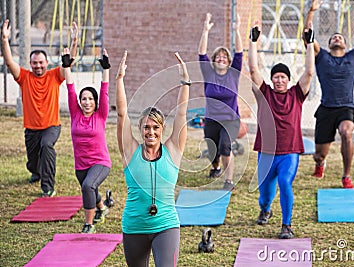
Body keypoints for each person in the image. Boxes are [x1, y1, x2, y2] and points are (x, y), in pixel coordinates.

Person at [116, 50, 190, 267]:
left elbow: (182, 114)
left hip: (166, 225)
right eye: (146, 127)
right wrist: (119, 80)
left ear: (162, 128)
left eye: (155, 127)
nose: (151, 132)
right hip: (134, 227)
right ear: (139, 129)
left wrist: (185, 82)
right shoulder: (130, 151)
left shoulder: (173, 150)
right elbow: (122, 114)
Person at [248, 22, 315, 238]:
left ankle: (286, 225)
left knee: (285, 182)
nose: (279, 79)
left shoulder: (296, 94)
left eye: (283, 77)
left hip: (289, 152)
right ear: (272, 78)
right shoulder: (264, 93)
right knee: (265, 194)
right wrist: (253, 42)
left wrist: (310, 44)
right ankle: (265, 209)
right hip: (266, 153)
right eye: (276, 76)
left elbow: (310, 72)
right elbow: (252, 69)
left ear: (288, 80)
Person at [1, 20, 78, 197]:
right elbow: (9, 62)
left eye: (41, 63)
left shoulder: (55, 76)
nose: (38, 66)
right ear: (30, 64)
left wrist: (74, 42)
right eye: (35, 63)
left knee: (46, 146)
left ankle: (48, 187)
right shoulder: (24, 77)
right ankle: (35, 172)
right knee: (33, 161)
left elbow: (69, 64)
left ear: (46, 63)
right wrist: (4, 40)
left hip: (51, 126)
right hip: (31, 129)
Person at [305, 0, 354, 188]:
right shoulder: (322, 57)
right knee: (319, 154)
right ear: (329, 44)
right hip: (326, 108)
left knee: (346, 132)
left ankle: (346, 176)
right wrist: (311, 11)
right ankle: (320, 164)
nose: (337, 38)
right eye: (333, 37)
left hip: (346, 107)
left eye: (340, 37)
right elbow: (308, 37)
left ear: (345, 45)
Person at [61, 47, 112, 233]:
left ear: (96, 102)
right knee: (89, 188)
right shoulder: (75, 114)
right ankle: (102, 207)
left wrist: (106, 68)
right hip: (81, 164)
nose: (87, 102)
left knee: (88, 185)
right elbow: (70, 89)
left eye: (91, 99)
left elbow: (104, 90)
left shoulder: (101, 115)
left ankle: (88, 225)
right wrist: (67, 66)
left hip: (100, 162)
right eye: (84, 99)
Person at [198, 12, 243, 191]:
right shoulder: (209, 74)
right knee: (212, 150)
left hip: (230, 119)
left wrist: (237, 30)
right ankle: (215, 167)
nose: (221, 59)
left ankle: (229, 181)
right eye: (218, 57)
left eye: (225, 57)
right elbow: (201, 53)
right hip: (211, 119)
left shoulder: (234, 74)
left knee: (225, 147)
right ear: (214, 61)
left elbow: (239, 53)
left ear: (229, 62)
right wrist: (205, 30)